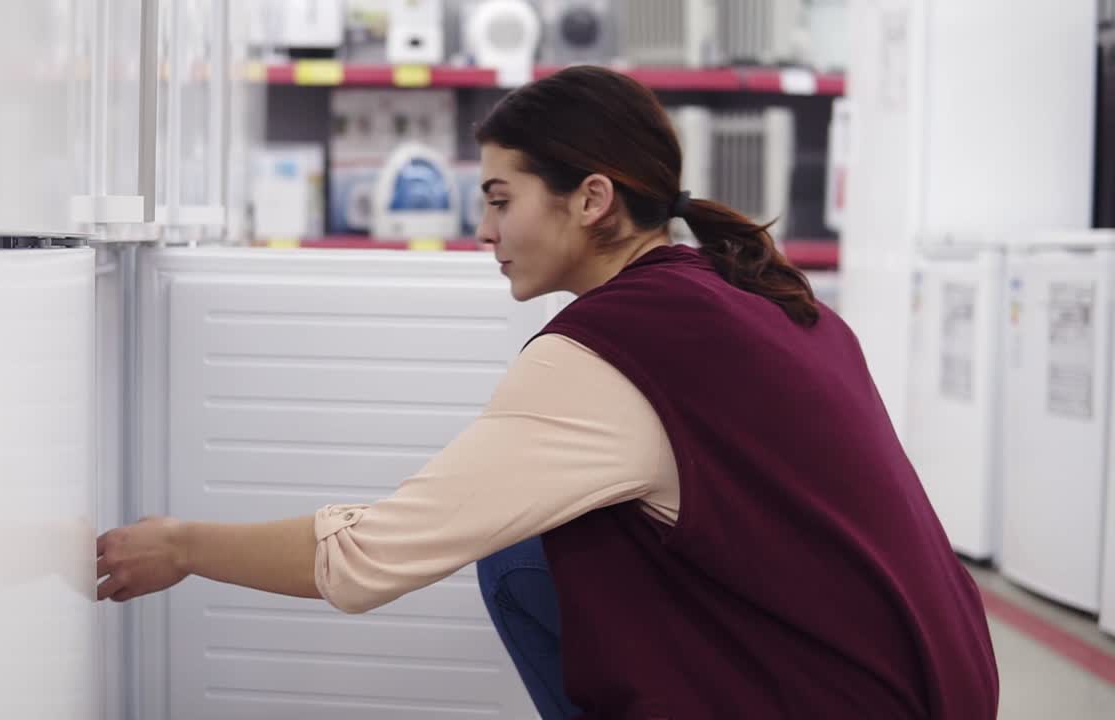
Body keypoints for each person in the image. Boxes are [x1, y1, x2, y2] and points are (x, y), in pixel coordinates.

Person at [96, 65, 999, 718]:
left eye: (499, 198)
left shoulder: (612, 348)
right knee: (540, 547)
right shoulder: (757, 293)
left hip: (847, 698)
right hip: (940, 679)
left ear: (592, 199)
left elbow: (369, 559)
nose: (483, 229)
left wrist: (180, 545)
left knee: (518, 554)